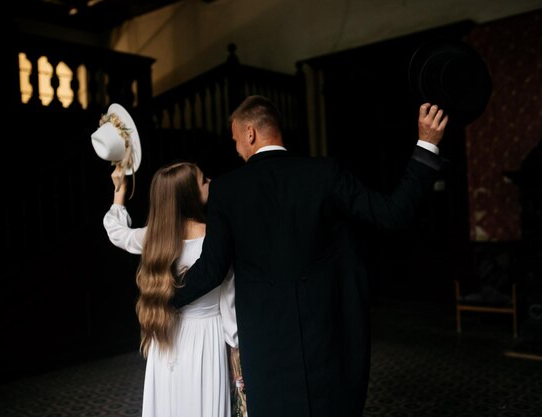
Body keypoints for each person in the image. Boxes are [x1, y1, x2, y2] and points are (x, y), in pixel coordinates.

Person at [171, 95, 449, 417]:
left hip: (266, 349)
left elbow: (211, 270)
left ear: (250, 134)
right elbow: (392, 214)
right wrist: (426, 145)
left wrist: (164, 297)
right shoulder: (325, 172)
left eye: (235, 141)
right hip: (328, 340)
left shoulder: (227, 190)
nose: (236, 149)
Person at [102, 161, 246, 417]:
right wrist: (235, 348)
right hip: (206, 339)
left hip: (166, 337)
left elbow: (117, 233)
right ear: (188, 195)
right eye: (203, 180)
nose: (210, 181)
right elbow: (229, 299)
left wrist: (119, 192)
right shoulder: (216, 239)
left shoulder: (155, 238)